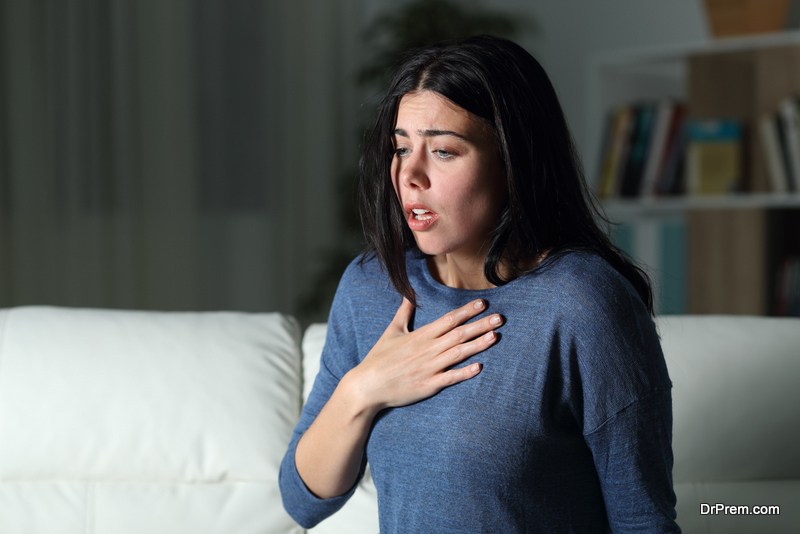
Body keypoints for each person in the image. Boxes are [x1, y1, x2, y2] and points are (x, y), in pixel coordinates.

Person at [280, 35, 679, 533]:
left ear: (514, 160)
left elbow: (644, 524)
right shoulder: (372, 286)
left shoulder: (584, 303)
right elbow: (302, 501)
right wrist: (365, 387)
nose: (410, 175)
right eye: (401, 148)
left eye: (444, 151)